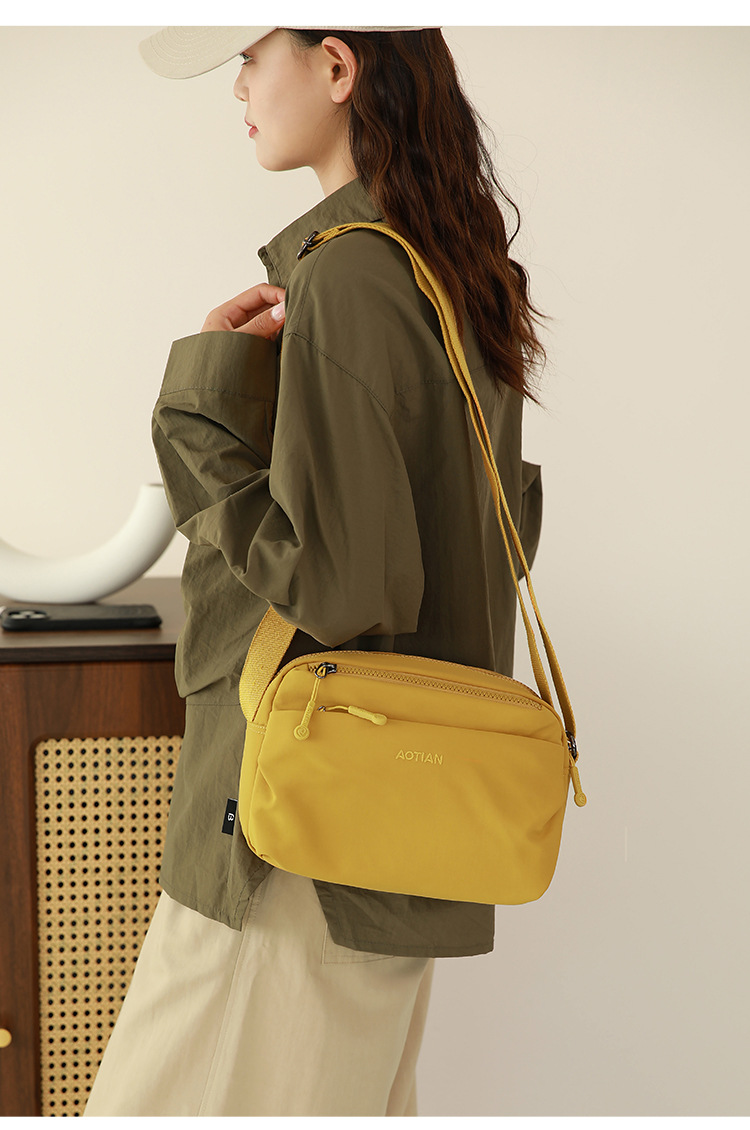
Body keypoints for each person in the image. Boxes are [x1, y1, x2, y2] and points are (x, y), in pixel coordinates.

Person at [84, 25, 546, 1117]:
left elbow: (336, 588)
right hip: (392, 837)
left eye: (252, 56)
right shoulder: (452, 268)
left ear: (338, 68)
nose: (239, 86)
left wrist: (201, 412)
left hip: (289, 845)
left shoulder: (347, 274)